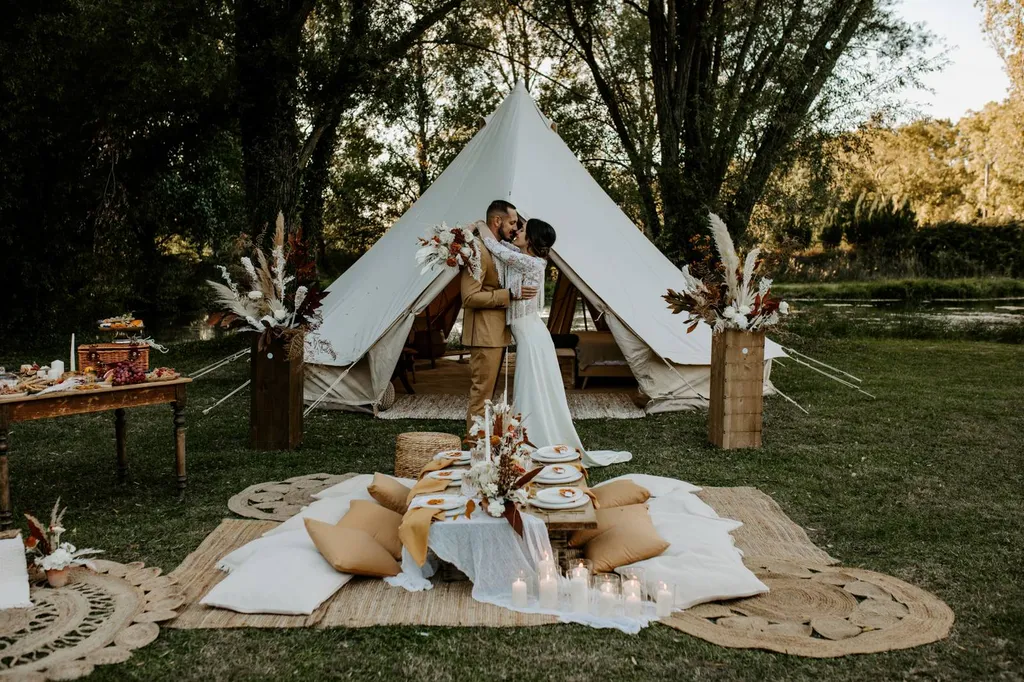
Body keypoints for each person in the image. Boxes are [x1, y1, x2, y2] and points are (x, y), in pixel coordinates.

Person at [481, 218, 631, 467]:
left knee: (529, 388)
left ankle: (528, 442)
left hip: (531, 336)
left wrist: (479, 224)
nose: (516, 232)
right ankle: (525, 439)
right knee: (532, 388)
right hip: (531, 334)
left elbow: (495, 247)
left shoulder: (531, 262)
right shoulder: (524, 257)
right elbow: (503, 249)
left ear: (530, 240)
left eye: (521, 230)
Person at [461, 200, 537, 434]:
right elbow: (469, 297)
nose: (515, 228)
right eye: (513, 222)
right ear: (497, 221)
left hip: (496, 333)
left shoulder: (494, 246)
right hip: (484, 334)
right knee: (482, 394)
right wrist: (509, 294)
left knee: (489, 395)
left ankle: (485, 443)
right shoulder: (476, 249)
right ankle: (474, 446)